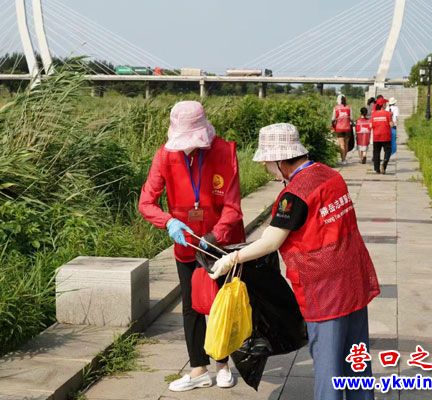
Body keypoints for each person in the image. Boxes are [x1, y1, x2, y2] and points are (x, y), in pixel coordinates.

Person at [209, 123, 379, 400]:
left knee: (328, 363)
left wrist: (233, 258)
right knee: (355, 355)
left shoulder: (295, 194)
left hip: (326, 289)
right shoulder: (329, 175)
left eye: (267, 162)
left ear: (280, 160)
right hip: (353, 277)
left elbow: (271, 241)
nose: (266, 167)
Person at [138, 101, 245, 391]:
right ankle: (198, 368)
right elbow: (146, 202)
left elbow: (233, 206)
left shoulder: (224, 152)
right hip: (185, 242)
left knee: (222, 303)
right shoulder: (165, 155)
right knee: (192, 305)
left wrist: (214, 236)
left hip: (221, 243)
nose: (188, 148)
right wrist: (168, 222)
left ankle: (223, 364)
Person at [371, 97, 394, 174]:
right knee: (388, 151)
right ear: (383, 105)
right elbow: (391, 125)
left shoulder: (373, 114)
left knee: (376, 152)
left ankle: (377, 169)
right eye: (385, 103)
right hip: (386, 136)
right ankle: (384, 163)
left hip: (376, 136)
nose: (386, 105)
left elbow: (371, 126)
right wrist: (391, 118)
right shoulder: (388, 113)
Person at [332, 94, 353, 165]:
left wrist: (333, 124)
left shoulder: (336, 108)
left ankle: (343, 159)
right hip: (347, 128)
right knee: (346, 144)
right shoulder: (349, 107)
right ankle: (344, 159)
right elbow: (352, 118)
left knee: (341, 145)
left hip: (339, 128)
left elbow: (333, 119)